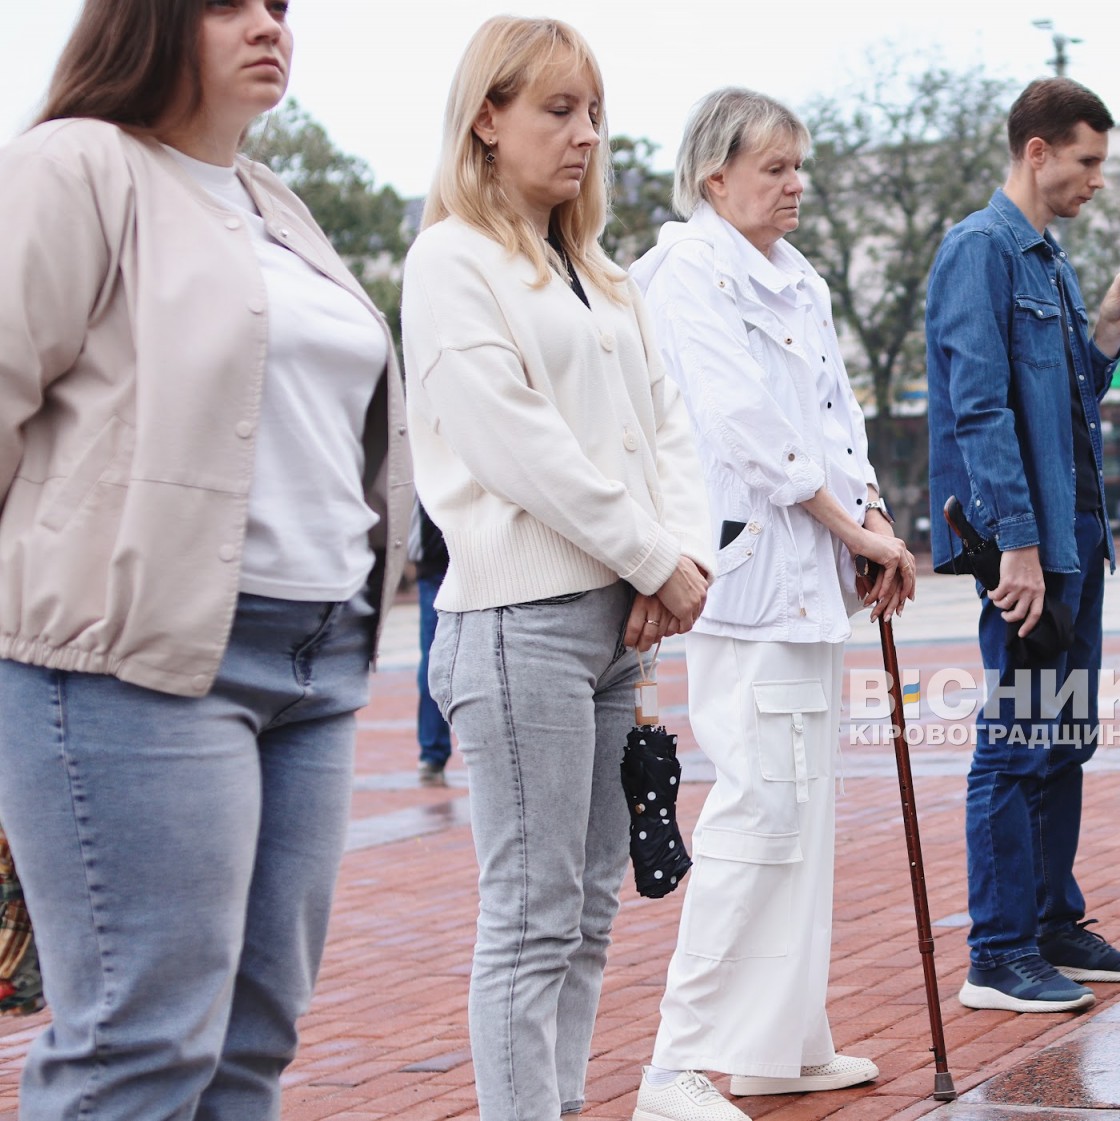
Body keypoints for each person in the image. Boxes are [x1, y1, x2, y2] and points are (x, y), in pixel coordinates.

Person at [0, 1, 412, 1116]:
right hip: (133, 656)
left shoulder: (272, 201)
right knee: (141, 1039)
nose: (268, 23)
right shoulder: (73, 165)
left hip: (318, 657)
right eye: (231, 2)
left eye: (281, 6)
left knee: (251, 1036)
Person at [400, 18, 714, 1119]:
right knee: (530, 915)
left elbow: (666, 427)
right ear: (486, 118)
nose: (583, 134)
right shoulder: (451, 260)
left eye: (592, 112)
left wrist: (675, 556)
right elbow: (517, 444)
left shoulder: (600, 270)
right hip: (519, 617)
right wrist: (652, 557)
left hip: (617, 615)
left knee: (586, 909)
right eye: (555, 109)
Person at [626, 87, 918, 1119]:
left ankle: (778, 1041)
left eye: (799, 167)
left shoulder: (799, 279)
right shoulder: (679, 274)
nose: (795, 186)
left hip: (810, 585)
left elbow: (837, 416)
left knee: (802, 813)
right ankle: (680, 1057)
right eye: (774, 168)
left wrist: (870, 515)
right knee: (755, 811)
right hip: (746, 580)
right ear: (715, 176)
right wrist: (853, 530)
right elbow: (742, 423)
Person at [925, 77, 1120, 1015]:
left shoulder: (1049, 263)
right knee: (1017, 742)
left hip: (1076, 538)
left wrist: (1103, 331)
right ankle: (999, 950)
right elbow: (978, 408)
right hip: (1030, 547)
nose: (1096, 180)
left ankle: (1055, 921)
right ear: (1038, 152)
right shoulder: (977, 252)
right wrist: (1014, 546)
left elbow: (1063, 406)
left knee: (1065, 737)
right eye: (1088, 161)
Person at [413, 503, 453, 785]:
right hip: (437, 565)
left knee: (433, 661)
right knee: (433, 663)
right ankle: (432, 755)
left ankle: (432, 755)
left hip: (439, 562)